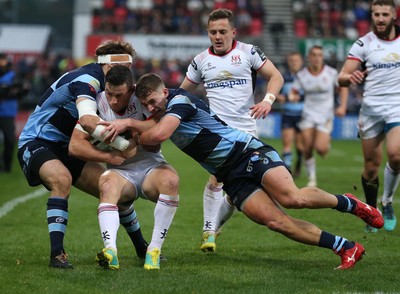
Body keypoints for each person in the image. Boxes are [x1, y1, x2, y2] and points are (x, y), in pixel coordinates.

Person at [102, 72, 383, 270]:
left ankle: (350, 203)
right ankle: (346, 247)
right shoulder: (158, 114)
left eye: (154, 101)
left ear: (164, 91)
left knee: (292, 198)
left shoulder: (179, 101)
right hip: (229, 175)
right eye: (148, 105)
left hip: (248, 152)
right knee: (276, 222)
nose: (152, 107)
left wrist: (128, 126)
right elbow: (151, 131)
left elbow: (157, 135)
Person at [17, 40, 148, 269]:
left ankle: (142, 248)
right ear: (107, 65)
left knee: (114, 188)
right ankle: (57, 254)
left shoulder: (109, 85)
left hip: (67, 145)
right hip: (38, 141)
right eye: (123, 67)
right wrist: (121, 145)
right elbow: (88, 121)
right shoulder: (87, 80)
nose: (125, 73)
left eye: (128, 68)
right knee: (62, 179)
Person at [179, 8, 284, 252]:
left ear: (233, 32)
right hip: (216, 131)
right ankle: (208, 231)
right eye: (213, 32)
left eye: (222, 32)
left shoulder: (248, 52)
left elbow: (275, 76)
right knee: (216, 179)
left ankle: (213, 229)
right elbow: (183, 93)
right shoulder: (200, 61)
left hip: (247, 132)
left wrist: (267, 100)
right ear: (208, 33)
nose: (218, 36)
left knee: (236, 193)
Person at [69, 65, 179, 270]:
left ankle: (153, 250)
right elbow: (75, 145)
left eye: (118, 96)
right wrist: (109, 155)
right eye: (109, 94)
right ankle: (110, 251)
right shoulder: (98, 103)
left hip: (151, 166)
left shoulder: (144, 99)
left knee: (171, 180)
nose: (112, 101)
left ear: (131, 90)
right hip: (120, 172)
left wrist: (130, 130)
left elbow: (158, 130)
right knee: (107, 182)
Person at [338, 0, 400, 232]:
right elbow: (342, 76)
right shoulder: (364, 43)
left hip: (397, 107)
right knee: (371, 167)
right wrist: (348, 78)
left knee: (396, 155)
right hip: (371, 110)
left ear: (394, 15)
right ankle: (372, 210)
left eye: (385, 14)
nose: (380, 18)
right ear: (371, 15)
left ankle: (387, 201)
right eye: (376, 14)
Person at [291, 45, 348, 187]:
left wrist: (342, 106)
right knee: (307, 148)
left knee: (321, 149)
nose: (317, 58)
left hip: (325, 115)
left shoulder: (331, 73)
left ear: (323, 57)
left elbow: (343, 88)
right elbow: (294, 91)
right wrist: (293, 96)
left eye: (319, 55)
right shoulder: (302, 74)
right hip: (308, 114)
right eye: (314, 55)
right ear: (309, 57)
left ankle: (324, 144)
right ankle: (312, 179)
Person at [276, 52, 304, 177]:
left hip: (303, 115)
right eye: (292, 60)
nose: (294, 63)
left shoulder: (307, 77)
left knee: (300, 146)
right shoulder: (283, 77)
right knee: (287, 143)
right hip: (287, 113)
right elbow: (275, 94)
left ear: (301, 62)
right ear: (288, 62)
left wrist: (300, 97)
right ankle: (288, 170)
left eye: (296, 60)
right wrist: (284, 97)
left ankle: (298, 163)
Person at [0, 53, 18, 173]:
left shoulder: (13, 76)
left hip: (7, 113)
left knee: (10, 140)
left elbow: (20, 90)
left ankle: (7, 165)